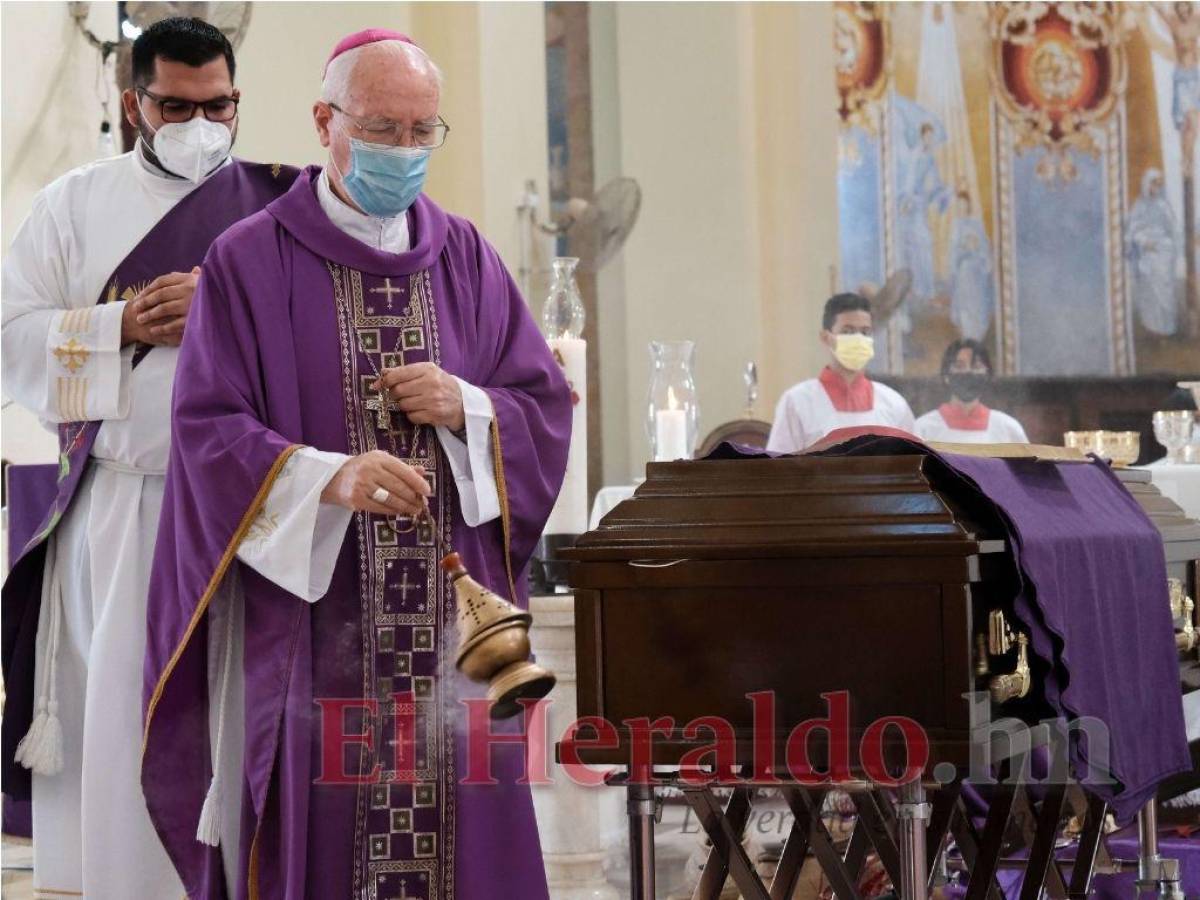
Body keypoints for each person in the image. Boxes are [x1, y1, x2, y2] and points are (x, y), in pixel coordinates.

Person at [140, 30, 571, 898]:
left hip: (453, 632)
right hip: (316, 624)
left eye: (422, 132)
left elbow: (543, 405)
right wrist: (325, 478)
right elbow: (206, 427)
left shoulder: (469, 257)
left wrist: (469, 407)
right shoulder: (250, 261)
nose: (405, 152)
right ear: (323, 122)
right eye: (382, 129)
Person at [0, 17, 298, 898]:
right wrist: (120, 325)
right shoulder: (74, 205)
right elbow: (10, 339)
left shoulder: (282, 209)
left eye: (220, 106)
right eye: (175, 105)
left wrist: (233, 301)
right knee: (124, 712)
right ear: (134, 102)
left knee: (234, 713)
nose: (200, 124)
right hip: (124, 508)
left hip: (247, 511)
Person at [767, 292, 916, 452]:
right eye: (848, 331)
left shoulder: (894, 404)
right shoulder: (797, 401)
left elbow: (915, 463)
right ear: (826, 337)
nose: (858, 339)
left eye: (865, 332)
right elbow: (778, 467)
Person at [915, 338, 1029, 444]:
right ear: (946, 376)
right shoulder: (923, 428)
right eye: (959, 366)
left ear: (987, 376)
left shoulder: (1008, 428)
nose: (968, 372)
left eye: (977, 367)